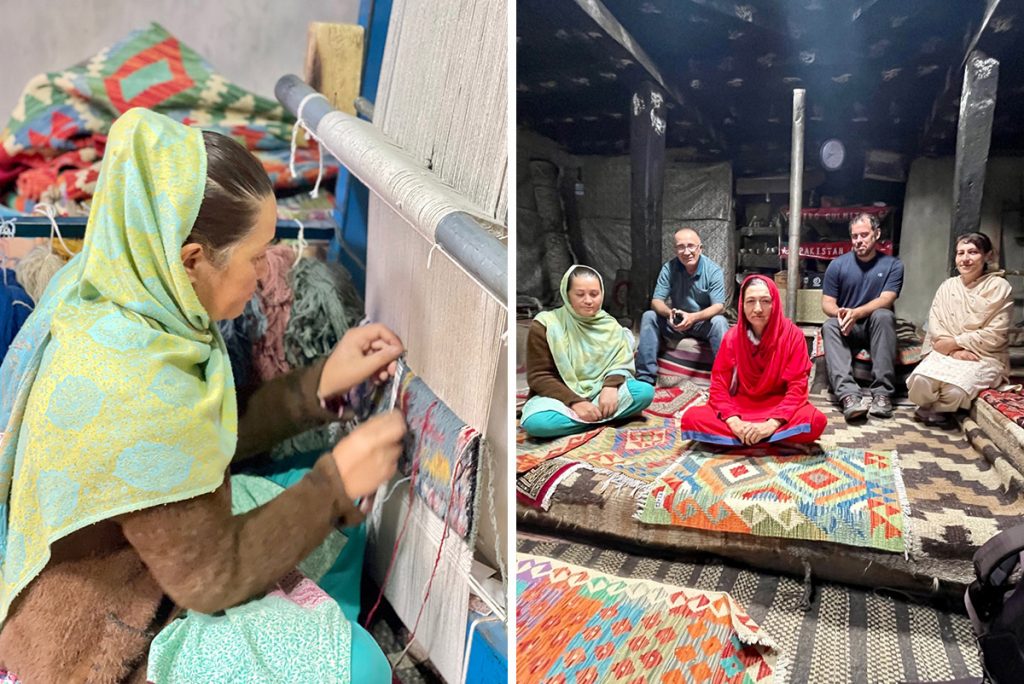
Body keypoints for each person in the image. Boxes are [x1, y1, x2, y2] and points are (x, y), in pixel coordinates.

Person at [0, 108, 405, 682]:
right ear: (192, 261)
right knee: (364, 667)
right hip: (97, 635)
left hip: (144, 559)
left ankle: (310, 629)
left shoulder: (124, 301)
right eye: (256, 254)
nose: (268, 272)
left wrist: (319, 382)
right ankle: (314, 646)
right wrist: (334, 482)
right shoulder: (135, 387)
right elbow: (212, 578)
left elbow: (199, 435)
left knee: (340, 528)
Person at [680, 275, 826, 446]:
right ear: (742, 304)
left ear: (775, 303)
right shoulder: (732, 337)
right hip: (739, 409)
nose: (758, 308)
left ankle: (748, 439)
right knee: (692, 418)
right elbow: (719, 386)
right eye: (751, 301)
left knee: (815, 421)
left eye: (765, 301)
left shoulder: (793, 336)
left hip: (778, 408)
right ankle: (769, 439)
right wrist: (734, 423)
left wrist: (771, 424)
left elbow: (797, 387)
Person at [521, 264, 654, 438]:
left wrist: (610, 386)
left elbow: (621, 361)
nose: (588, 300)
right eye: (580, 294)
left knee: (644, 392)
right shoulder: (546, 325)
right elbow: (539, 376)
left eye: (594, 294)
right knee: (537, 423)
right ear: (566, 294)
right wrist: (576, 402)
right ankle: (603, 418)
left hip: (600, 393)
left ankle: (589, 418)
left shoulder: (609, 325)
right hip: (561, 397)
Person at [908, 232, 1013, 426]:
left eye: (972, 252)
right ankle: (932, 408)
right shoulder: (948, 286)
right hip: (947, 353)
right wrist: (955, 352)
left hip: (983, 356)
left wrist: (957, 343)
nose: (965, 259)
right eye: (960, 253)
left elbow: (995, 333)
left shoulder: (999, 287)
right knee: (920, 381)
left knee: (955, 390)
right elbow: (936, 324)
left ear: (987, 255)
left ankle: (939, 411)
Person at [821, 212, 904, 421]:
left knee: (884, 315)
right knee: (830, 325)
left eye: (864, 235)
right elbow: (827, 303)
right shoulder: (837, 265)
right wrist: (841, 314)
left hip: (874, 326)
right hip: (848, 326)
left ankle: (882, 394)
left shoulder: (893, 265)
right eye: (854, 236)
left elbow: (887, 298)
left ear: (876, 234)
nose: (859, 241)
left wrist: (856, 313)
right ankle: (848, 395)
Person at [636, 227, 730, 385]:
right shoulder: (669, 268)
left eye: (691, 246)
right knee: (649, 316)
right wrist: (669, 314)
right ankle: (645, 378)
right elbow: (656, 301)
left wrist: (693, 317)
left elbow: (719, 306)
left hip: (701, 322)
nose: (686, 252)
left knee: (720, 322)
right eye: (681, 247)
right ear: (675, 250)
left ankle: (726, 380)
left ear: (700, 248)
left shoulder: (713, 271)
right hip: (677, 321)